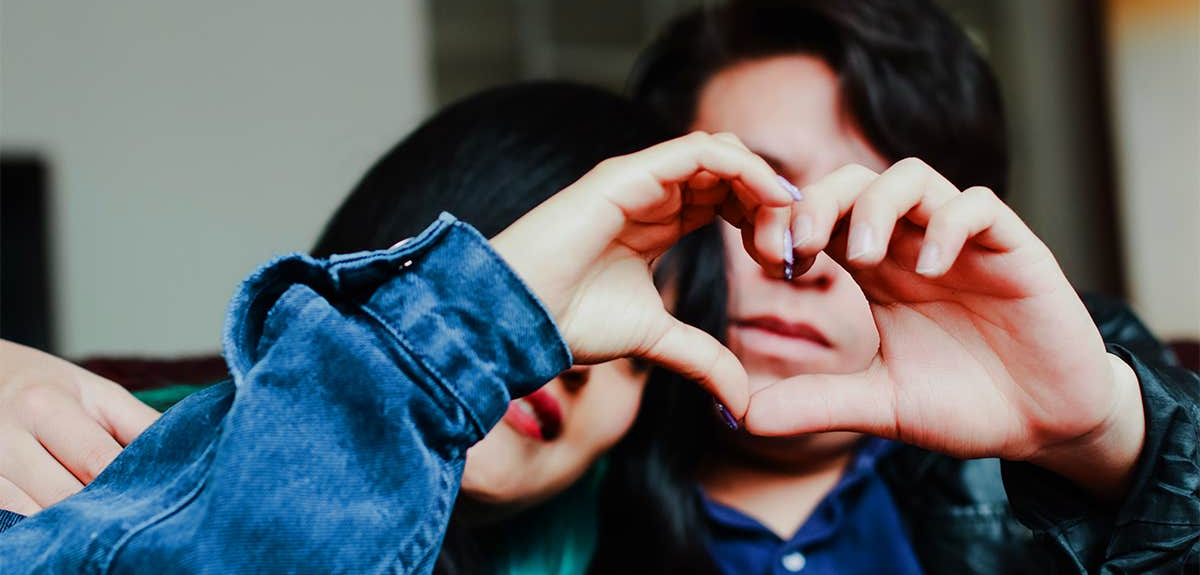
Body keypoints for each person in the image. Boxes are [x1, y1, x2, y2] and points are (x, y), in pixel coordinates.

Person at [0, 81, 804, 573]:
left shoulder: (620, 538)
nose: (583, 359)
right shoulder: (101, 455)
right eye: (552, 289)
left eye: (637, 350)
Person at [589, 0, 1199, 574]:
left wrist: (1104, 441)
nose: (805, 260)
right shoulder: (553, 457)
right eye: (751, 194)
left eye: (875, 216)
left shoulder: (1060, 440)